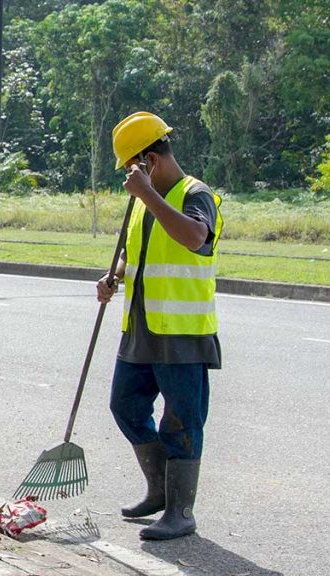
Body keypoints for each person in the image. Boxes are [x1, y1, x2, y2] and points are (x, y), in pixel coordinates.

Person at [97, 112, 224, 541]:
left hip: (182, 334)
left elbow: (194, 238)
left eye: (131, 167)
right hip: (140, 328)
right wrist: (113, 274)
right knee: (125, 406)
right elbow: (135, 255)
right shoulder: (141, 201)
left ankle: (180, 512)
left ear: (148, 160)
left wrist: (148, 194)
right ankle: (158, 491)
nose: (128, 179)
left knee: (182, 420)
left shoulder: (195, 194)